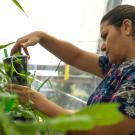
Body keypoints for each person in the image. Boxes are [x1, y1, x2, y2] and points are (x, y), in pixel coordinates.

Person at [9, 4, 135, 135]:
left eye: (105, 35)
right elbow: (77, 57)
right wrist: (41, 37)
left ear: (127, 27)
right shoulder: (116, 67)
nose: (103, 47)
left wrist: (41, 103)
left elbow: (105, 131)